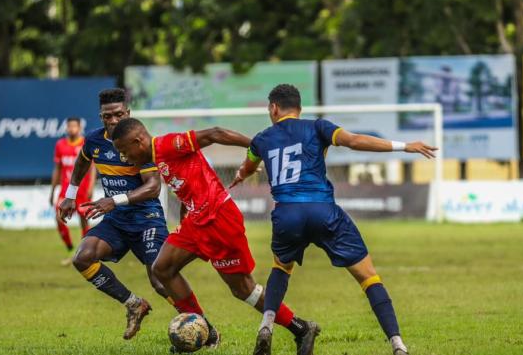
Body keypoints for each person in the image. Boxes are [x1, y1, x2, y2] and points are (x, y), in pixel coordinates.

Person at [231, 84, 437, 355]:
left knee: (281, 268)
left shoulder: (261, 139)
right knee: (368, 278)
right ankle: (398, 345)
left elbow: (247, 166)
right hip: (322, 210)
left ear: (273, 108)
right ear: (299, 109)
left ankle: (266, 325)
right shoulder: (317, 127)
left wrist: (240, 176)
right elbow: (353, 140)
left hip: (287, 214)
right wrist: (404, 146)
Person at [111, 118, 320, 354]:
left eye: (124, 150)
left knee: (244, 289)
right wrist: (184, 215)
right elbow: (185, 186)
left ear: (138, 141)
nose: (124, 157)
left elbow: (214, 133)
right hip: (196, 222)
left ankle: (301, 328)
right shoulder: (157, 158)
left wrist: (259, 147)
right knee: (162, 268)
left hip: (219, 220)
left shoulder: (167, 145)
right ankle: (204, 332)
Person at [56, 88, 169, 340]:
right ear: (101, 117)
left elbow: (153, 187)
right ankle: (133, 304)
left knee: (160, 280)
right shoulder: (95, 140)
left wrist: (114, 201)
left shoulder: (140, 142)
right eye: (108, 116)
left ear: (127, 113)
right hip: (117, 220)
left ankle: (203, 325)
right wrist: (70, 195)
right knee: (82, 258)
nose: (113, 120)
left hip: (146, 218)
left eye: (119, 114)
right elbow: (83, 161)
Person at [49, 117, 95, 265]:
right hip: (65, 191)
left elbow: (92, 167)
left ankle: (85, 253)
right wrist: (52, 191)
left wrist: (91, 186)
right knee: (58, 218)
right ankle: (70, 250)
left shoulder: (85, 143)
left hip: (82, 191)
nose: (71, 129)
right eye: (69, 126)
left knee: (84, 220)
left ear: (79, 128)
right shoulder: (60, 145)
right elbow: (57, 169)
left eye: (74, 126)